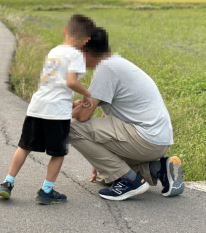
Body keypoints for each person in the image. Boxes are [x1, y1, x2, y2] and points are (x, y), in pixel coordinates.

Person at [70, 27, 184, 201]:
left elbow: (82, 117)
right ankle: (159, 168)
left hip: (145, 138)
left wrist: (63, 107)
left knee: (69, 127)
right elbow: (108, 115)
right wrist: (101, 161)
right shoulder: (115, 63)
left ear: (84, 52)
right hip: (157, 140)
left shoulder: (105, 69)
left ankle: (129, 180)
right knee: (105, 175)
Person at [0, 14, 95, 204]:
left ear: (65, 31)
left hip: (37, 107)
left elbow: (55, 86)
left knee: (24, 147)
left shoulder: (54, 51)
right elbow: (71, 82)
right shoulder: (75, 54)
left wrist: (72, 103)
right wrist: (87, 94)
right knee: (58, 153)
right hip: (56, 114)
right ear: (86, 39)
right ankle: (46, 191)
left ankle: (7, 183)